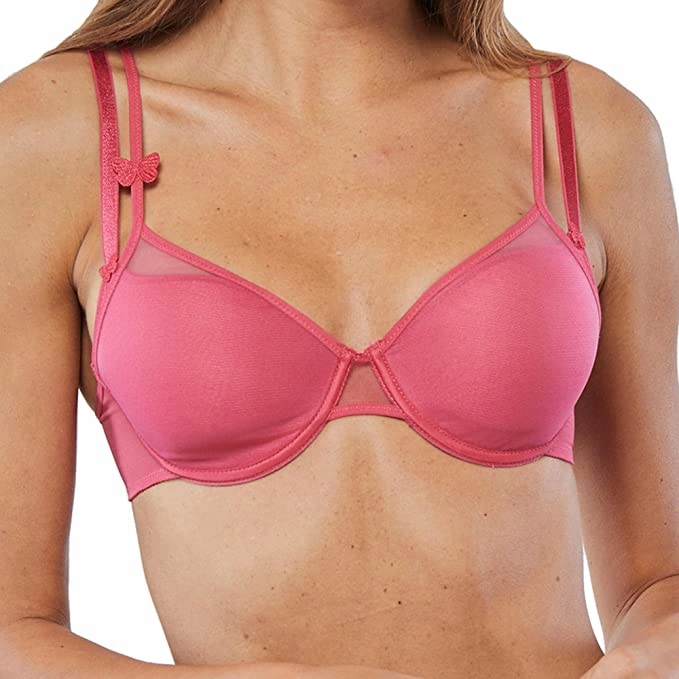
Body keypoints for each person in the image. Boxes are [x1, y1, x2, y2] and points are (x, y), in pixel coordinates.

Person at [1, 1, 678, 678]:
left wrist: (647, 660)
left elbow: (660, 583)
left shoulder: (585, 128)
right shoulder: (55, 136)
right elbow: (11, 633)